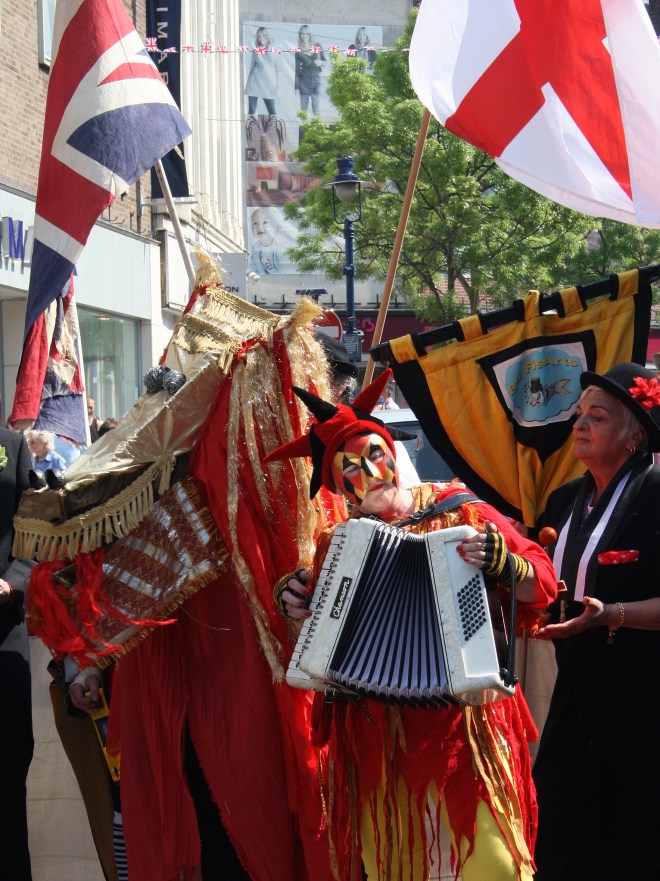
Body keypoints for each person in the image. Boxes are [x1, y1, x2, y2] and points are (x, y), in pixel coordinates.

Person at [264, 369, 558, 881]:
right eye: (350, 467)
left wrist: (505, 565)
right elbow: (324, 646)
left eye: (375, 453)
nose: (369, 472)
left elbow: (544, 586)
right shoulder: (338, 545)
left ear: (392, 454)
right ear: (337, 486)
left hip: (464, 731)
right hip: (383, 737)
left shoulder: (460, 509)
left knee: (494, 867)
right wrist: (296, 601)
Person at [532, 362, 660, 881]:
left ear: (633, 436)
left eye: (599, 417)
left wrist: (613, 615)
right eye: (579, 414)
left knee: (637, 848)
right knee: (559, 838)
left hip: (645, 709)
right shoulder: (565, 499)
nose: (580, 425)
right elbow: (549, 586)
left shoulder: (657, 494)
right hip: (575, 704)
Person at [0, 427, 34, 880]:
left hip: (4, 636)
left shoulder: (10, 446)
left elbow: (37, 530)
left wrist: (13, 580)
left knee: (8, 769)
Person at [245, 27, 279, 119]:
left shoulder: (273, 49)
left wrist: (276, 85)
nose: (261, 38)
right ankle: (253, 130)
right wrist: (247, 85)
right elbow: (252, 66)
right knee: (252, 112)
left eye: (263, 35)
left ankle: (271, 131)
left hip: (268, 83)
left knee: (272, 112)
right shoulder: (256, 50)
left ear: (267, 36)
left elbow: (277, 68)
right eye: (259, 36)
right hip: (254, 81)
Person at [294, 25, 326, 116]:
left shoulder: (317, 46)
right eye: (302, 34)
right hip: (303, 83)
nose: (304, 36)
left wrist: (321, 62)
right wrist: (296, 87)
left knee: (316, 108)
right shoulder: (298, 51)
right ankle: (304, 128)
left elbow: (325, 61)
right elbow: (296, 70)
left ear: (310, 35)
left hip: (316, 82)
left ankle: (318, 128)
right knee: (304, 110)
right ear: (300, 35)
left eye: (306, 34)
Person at [249, 207, 282, 274]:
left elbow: (286, 269)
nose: (259, 227)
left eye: (265, 222)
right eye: (255, 223)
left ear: (276, 228)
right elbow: (253, 269)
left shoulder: (281, 247)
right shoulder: (255, 249)